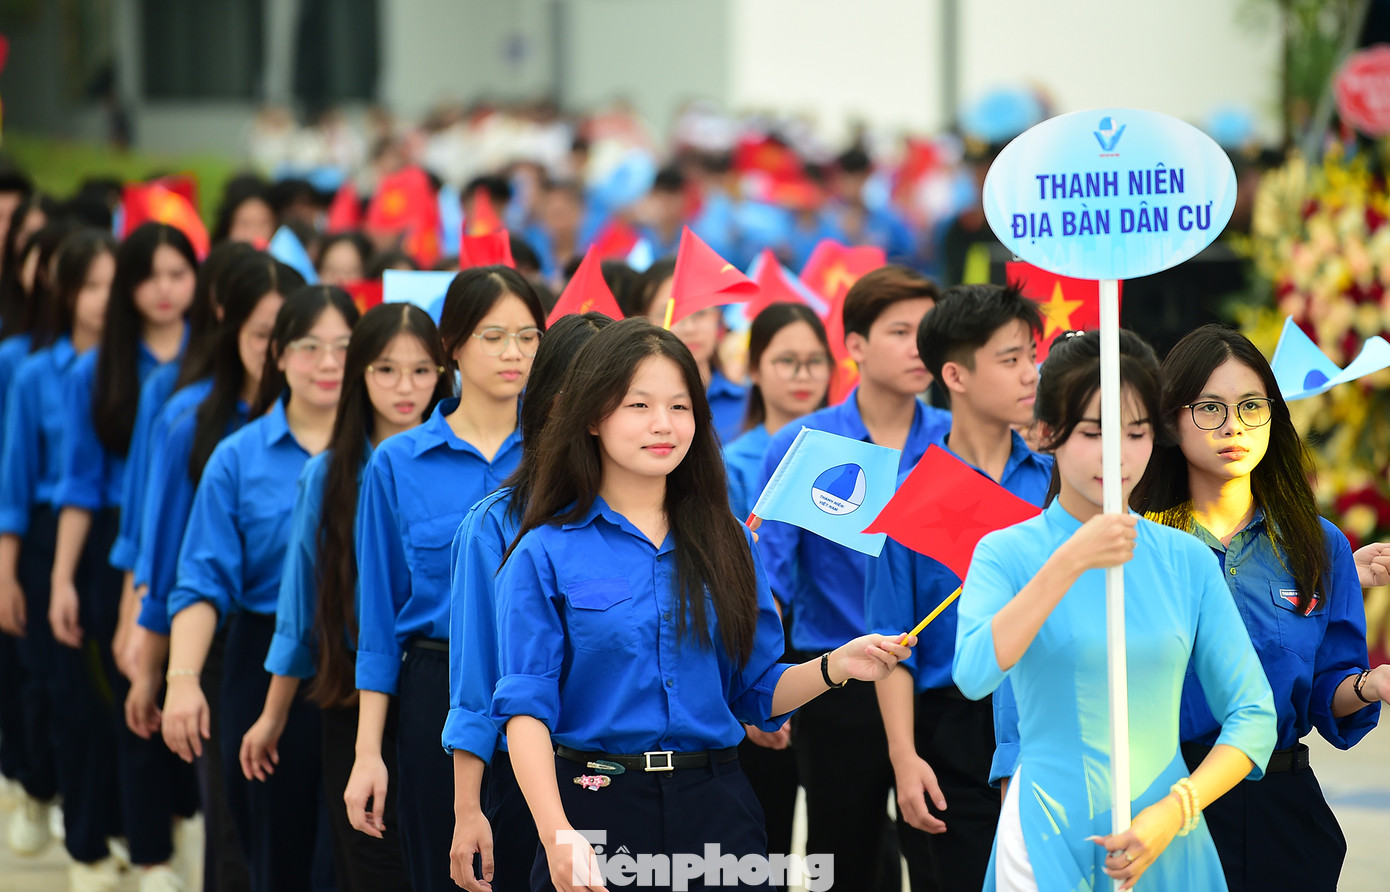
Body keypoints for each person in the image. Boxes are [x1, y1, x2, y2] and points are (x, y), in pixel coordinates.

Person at [489, 317, 914, 892]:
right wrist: (556, 830)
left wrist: (836, 667)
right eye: (637, 406)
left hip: (719, 811)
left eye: (680, 407)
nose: (663, 425)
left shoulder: (730, 540)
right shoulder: (543, 551)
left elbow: (754, 692)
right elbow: (526, 709)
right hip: (598, 810)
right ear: (592, 418)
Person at [953, 328, 1277, 891]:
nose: (1117, 454)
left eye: (1135, 432)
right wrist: (1068, 561)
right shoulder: (1005, 553)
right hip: (1046, 837)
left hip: (1165, 842)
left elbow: (1254, 716)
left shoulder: (1185, 561)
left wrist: (1175, 810)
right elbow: (974, 674)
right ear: (1046, 434)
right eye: (1092, 432)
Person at [1131, 324, 1388, 891]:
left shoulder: (1318, 545)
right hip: (1169, 805)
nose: (1233, 427)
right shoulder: (1136, 542)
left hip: (1283, 810)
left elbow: (1329, 690)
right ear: (1172, 420)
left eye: (1251, 407)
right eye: (1209, 409)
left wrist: (1371, 685)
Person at [346, 265, 544, 892]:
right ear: (451, 346)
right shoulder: (396, 464)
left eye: (528, 336)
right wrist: (367, 752)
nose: (513, 353)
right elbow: (378, 623)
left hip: (542, 688)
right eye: (493, 336)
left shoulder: (560, 457)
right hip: (435, 685)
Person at [754, 264, 949, 891]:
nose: (920, 346)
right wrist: (761, 686)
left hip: (940, 684)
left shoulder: (957, 441)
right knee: (847, 860)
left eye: (930, 331)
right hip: (838, 682)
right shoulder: (808, 444)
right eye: (900, 331)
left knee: (945, 855)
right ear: (856, 345)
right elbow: (771, 580)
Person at [162, 285, 360, 892]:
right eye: (310, 346)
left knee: (352, 854)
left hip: (361, 664)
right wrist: (183, 680)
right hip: (261, 655)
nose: (328, 363)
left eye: (344, 347)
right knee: (270, 848)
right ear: (277, 355)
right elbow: (201, 578)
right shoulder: (238, 457)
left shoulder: (388, 453)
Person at [245, 302, 448, 892]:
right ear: (359, 374)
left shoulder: (474, 469)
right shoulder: (328, 473)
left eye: (421, 370)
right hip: (355, 700)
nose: (405, 388)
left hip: (446, 693)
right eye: (386, 370)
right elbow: (299, 608)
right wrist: (273, 714)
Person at [127, 252, 301, 892]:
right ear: (232, 333)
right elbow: (172, 560)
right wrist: (157, 670)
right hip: (232, 643)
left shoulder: (352, 432)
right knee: (234, 829)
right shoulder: (195, 424)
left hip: (323, 654)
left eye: (295, 337)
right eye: (264, 336)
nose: (279, 352)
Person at [867, 283, 1050, 891]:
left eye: (1032, 355)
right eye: (1011, 359)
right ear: (956, 374)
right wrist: (904, 756)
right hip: (952, 737)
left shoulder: (1059, 483)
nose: (1031, 374)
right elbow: (892, 646)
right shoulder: (914, 496)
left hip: (1051, 719)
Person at [47, 222, 200, 891]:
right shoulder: (95, 368)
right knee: (133, 701)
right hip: (120, 544)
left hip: (196, 537)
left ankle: (185, 831)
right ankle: (149, 853)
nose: (164, 290)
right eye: (149, 276)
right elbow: (78, 484)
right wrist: (60, 577)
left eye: (177, 273)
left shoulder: (212, 357)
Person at [446, 311, 614, 892]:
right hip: (526, 782)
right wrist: (470, 809)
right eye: (583, 396)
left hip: (634, 783)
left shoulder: (662, 525)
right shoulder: (495, 526)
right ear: (547, 402)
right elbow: (475, 684)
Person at [0, 228, 115, 857]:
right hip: (52, 537)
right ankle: (71, 821)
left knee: (115, 698)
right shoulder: (33, 371)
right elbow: (14, 483)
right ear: (60, 291)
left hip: (115, 535)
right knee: (64, 690)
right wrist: (8, 572)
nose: (102, 299)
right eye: (87, 285)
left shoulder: (145, 372)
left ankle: (116, 827)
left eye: (110, 284)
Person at [717, 300, 831, 882]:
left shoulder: (846, 455)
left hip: (833, 658)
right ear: (754, 368)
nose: (803, 374)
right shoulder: (726, 462)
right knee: (763, 840)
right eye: (786, 361)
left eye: (815, 361)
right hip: (764, 655)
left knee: (841, 844)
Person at [636, 259, 748, 445]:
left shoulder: (750, 404)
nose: (688, 328)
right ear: (639, 319)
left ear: (718, 320)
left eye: (700, 313)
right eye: (671, 313)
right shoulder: (625, 408)